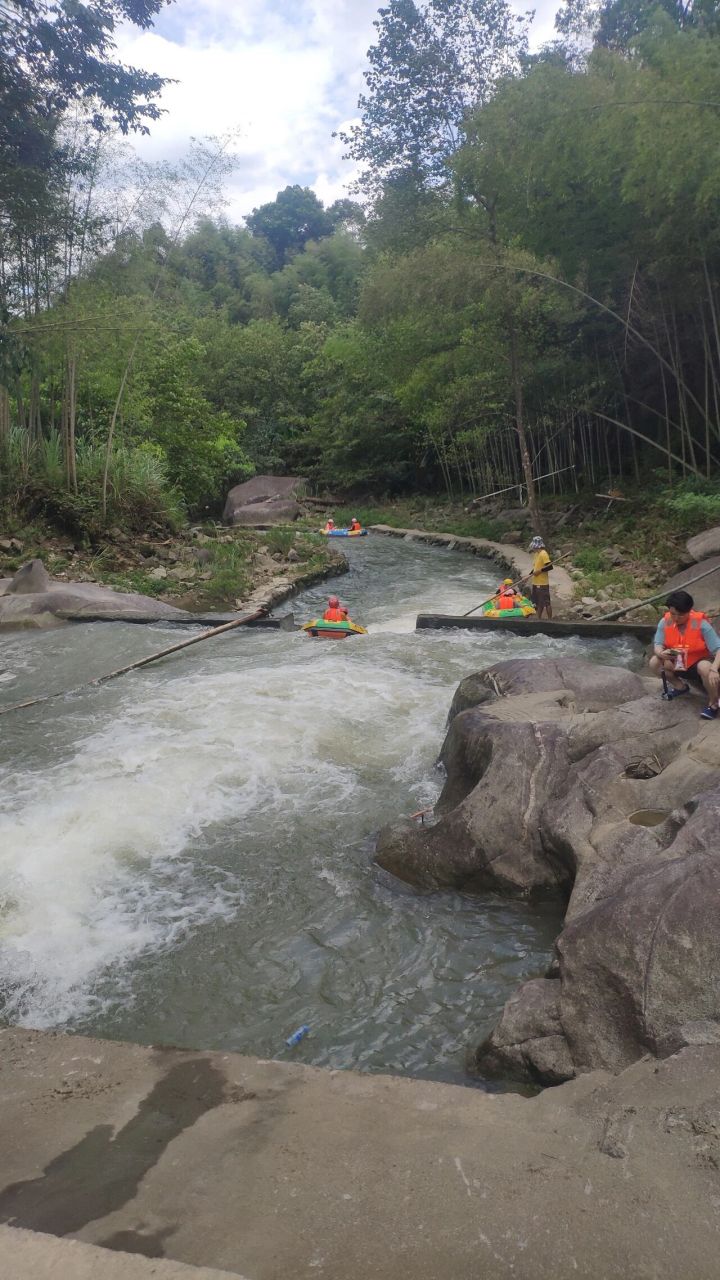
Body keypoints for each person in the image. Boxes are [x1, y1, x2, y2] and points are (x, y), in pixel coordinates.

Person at [649, 589, 720, 719]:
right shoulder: (665, 622)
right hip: (677, 662)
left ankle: (713, 703)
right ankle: (680, 687)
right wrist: (661, 653)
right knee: (654, 662)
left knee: (705, 667)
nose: (676, 618)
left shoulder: (701, 624)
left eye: (681, 615)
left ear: (689, 611)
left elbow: (718, 649)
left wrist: (714, 669)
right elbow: (658, 644)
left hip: (697, 663)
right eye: (673, 614)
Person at [527, 536, 553, 618]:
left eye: (533, 547)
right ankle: (538, 618)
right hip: (535, 582)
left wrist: (540, 571)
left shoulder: (543, 554)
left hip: (542, 583)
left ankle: (550, 620)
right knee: (538, 602)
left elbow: (549, 566)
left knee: (546, 602)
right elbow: (536, 567)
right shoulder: (536, 554)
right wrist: (530, 574)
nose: (532, 548)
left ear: (537, 546)